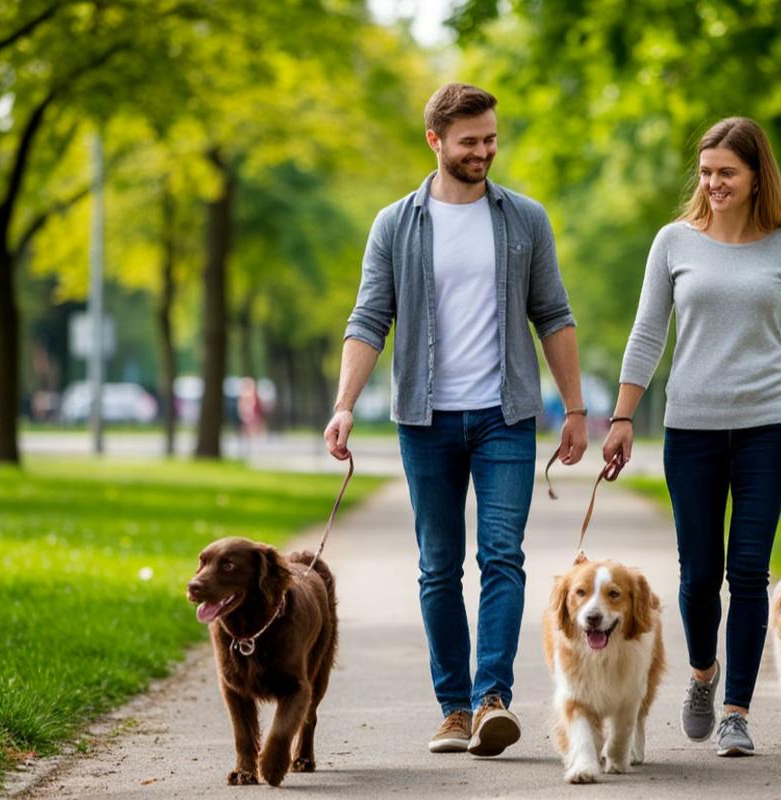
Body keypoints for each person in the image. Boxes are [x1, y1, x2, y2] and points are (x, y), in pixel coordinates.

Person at [323, 83, 587, 757]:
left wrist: (576, 407)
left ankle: (491, 698)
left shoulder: (525, 219)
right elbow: (368, 320)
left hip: (506, 416)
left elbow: (553, 315)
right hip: (425, 419)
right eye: (470, 141)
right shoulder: (395, 224)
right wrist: (344, 405)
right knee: (438, 566)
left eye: (491, 138)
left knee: (502, 556)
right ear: (435, 142)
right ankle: (452, 707)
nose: (484, 151)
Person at [601, 117, 781, 758]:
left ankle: (737, 711)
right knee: (698, 573)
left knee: (747, 572)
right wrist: (623, 416)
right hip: (690, 427)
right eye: (707, 172)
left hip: (768, 426)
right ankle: (702, 676)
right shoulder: (673, 242)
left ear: (755, 178)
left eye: (727, 173)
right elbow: (647, 334)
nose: (713, 183)